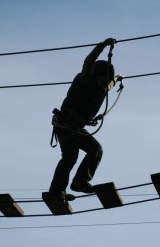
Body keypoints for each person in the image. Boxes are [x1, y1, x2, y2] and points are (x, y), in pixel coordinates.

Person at [48, 38, 123, 199]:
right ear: (98, 74)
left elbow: (110, 85)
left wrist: (117, 79)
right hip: (66, 124)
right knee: (70, 157)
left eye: (107, 80)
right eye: (104, 79)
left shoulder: (103, 86)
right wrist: (103, 45)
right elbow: (89, 61)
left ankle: (80, 181)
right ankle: (56, 191)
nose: (105, 83)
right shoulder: (86, 79)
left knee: (96, 150)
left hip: (77, 128)